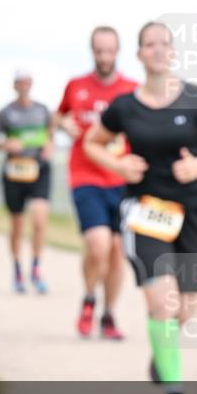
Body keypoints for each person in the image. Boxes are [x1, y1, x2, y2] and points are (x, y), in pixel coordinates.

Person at [84, 21, 197, 394]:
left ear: (172, 52)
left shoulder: (192, 98)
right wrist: (117, 163)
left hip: (194, 215)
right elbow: (91, 143)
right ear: (139, 54)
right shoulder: (125, 107)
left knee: (185, 309)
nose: (157, 50)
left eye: (164, 44)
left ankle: (163, 355)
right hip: (145, 213)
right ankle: (175, 393)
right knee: (162, 301)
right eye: (149, 44)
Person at [55, 26, 138, 339]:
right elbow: (59, 116)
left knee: (118, 251)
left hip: (122, 178)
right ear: (92, 51)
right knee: (99, 244)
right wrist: (64, 124)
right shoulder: (76, 86)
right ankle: (90, 296)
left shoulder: (131, 89)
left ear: (118, 51)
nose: (104, 57)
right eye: (99, 51)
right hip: (85, 174)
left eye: (109, 51)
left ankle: (108, 313)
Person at [0, 71, 54, 294]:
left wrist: (49, 145)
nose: (24, 86)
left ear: (32, 84)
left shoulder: (42, 110)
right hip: (15, 172)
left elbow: (51, 131)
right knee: (17, 225)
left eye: (27, 82)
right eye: (20, 82)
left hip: (39, 169)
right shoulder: (6, 112)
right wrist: (6, 144)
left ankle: (36, 267)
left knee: (39, 219)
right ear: (14, 85)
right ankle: (17, 269)